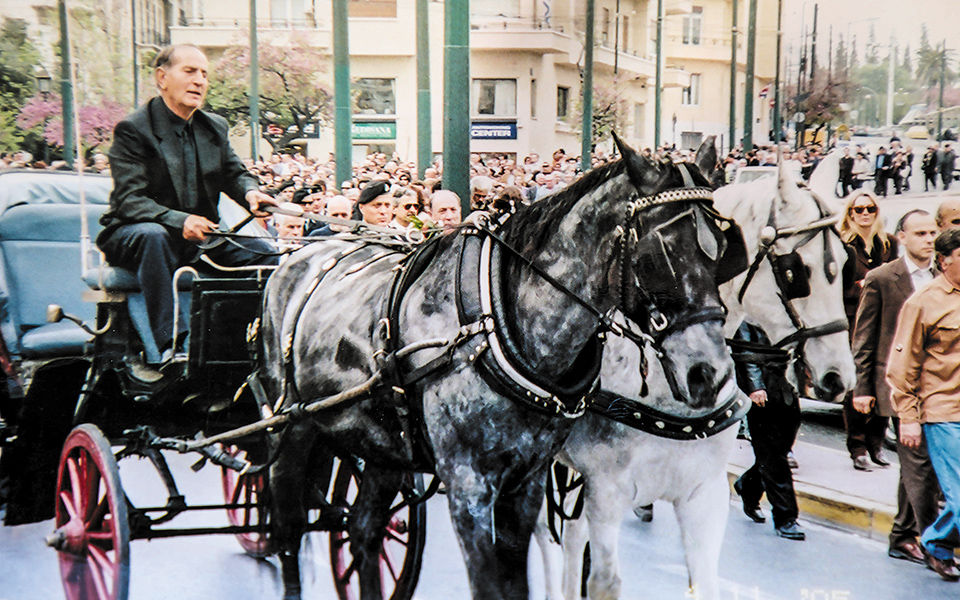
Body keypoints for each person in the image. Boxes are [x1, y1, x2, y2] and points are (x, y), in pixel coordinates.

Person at [97, 44, 277, 361]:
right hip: (135, 235)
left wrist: (251, 193)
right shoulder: (133, 129)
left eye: (205, 74)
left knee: (266, 254)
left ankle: (250, 343)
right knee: (154, 236)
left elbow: (235, 173)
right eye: (190, 71)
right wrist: (181, 221)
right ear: (162, 78)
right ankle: (172, 348)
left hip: (200, 235)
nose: (199, 81)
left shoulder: (215, 127)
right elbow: (130, 200)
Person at [852, 210, 940, 566]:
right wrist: (862, 387)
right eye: (920, 233)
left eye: (933, 232)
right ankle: (932, 543)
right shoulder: (883, 278)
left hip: (935, 387)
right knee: (919, 465)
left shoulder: (943, 277)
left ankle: (903, 536)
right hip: (895, 386)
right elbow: (865, 336)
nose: (929, 239)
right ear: (901, 237)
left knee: (919, 467)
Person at [887, 227, 960, 582]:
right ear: (944, 262)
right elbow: (903, 366)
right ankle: (936, 543)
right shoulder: (923, 301)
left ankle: (938, 542)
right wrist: (908, 418)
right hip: (943, 412)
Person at [839, 190, 899, 471]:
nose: (864, 213)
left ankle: (876, 443)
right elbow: (833, 287)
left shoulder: (889, 244)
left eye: (870, 208)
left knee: (885, 378)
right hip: (853, 318)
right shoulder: (842, 246)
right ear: (849, 213)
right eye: (858, 209)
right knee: (858, 381)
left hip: (886, 320)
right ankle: (858, 446)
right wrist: (862, 286)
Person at [732, 321, 805, 541]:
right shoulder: (749, 311)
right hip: (762, 387)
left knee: (779, 448)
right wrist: (755, 386)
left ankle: (748, 486)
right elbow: (744, 347)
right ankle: (786, 518)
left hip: (784, 385)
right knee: (773, 455)